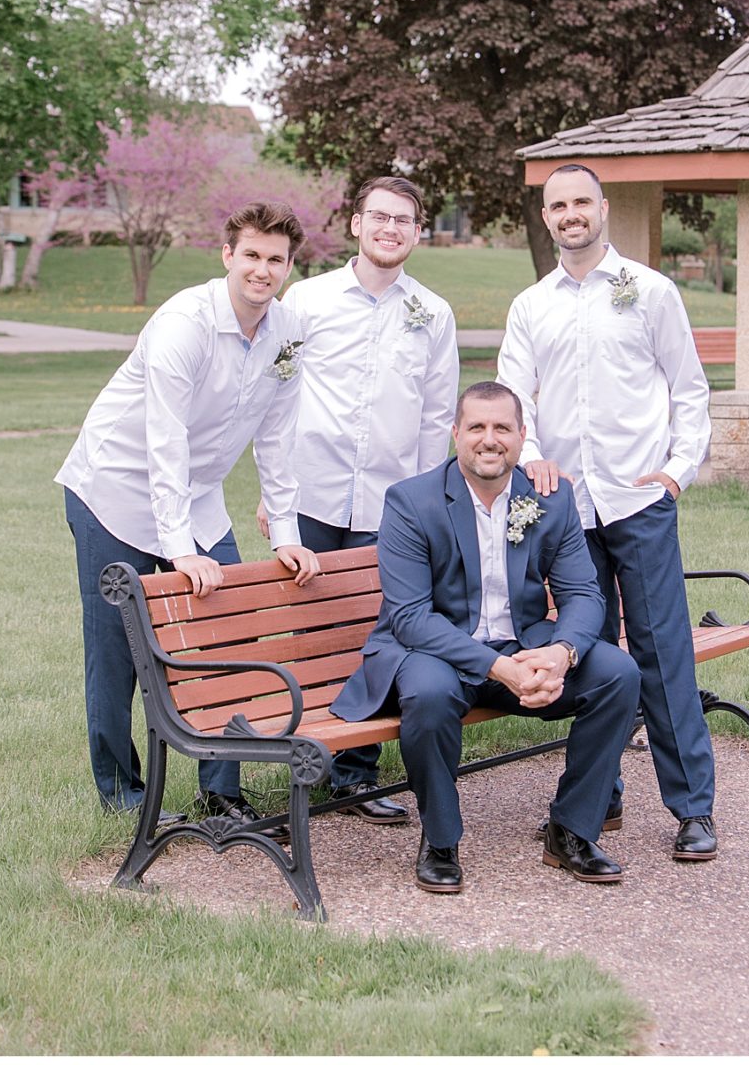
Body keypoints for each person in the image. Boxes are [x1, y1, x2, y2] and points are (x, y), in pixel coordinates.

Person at [54, 204, 320, 813]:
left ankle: (220, 793)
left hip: (196, 498)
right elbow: (163, 437)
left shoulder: (287, 333)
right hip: (113, 490)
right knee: (115, 646)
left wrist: (285, 533)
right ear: (227, 256)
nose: (262, 269)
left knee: (230, 633)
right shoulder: (185, 322)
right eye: (250, 255)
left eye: (274, 260)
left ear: (288, 267)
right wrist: (177, 550)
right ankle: (122, 793)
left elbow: (279, 436)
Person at [328, 381, 642, 894]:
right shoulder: (411, 501)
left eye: (502, 428)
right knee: (428, 694)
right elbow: (409, 618)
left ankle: (572, 830)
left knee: (617, 674)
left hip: (523, 645)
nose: (489, 439)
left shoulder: (550, 499)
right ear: (456, 434)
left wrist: (561, 655)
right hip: (433, 651)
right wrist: (501, 669)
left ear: (522, 438)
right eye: (476, 426)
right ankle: (441, 841)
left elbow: (585, 594)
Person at [498, 160, 718, 862]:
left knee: (660, 654)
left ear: (602, 208)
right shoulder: (532, 305)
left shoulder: (650, 292)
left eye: (580, 202)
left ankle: (692, 810)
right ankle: (601, 799)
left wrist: (678, 473)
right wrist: (531, 452)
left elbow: (690, 390)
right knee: (590, 658)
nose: (570, 213)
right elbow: (512, 400)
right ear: (547, 217)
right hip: (565, 510)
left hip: (638, 501)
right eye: (557, 204)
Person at [271, 174, 458, 821]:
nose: (390, 229)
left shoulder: (433, 314)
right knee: (312, 636)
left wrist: (430, 508)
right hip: (311, 496)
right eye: (379, 216)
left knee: (378, 640)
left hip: (392, 508)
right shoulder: (306, 300)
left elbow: (437, 420)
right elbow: (278, 398)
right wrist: (278, 499)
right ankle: (306, 760)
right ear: (355, 223)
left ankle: (356, 776)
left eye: (404, 219)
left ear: (417, 230)